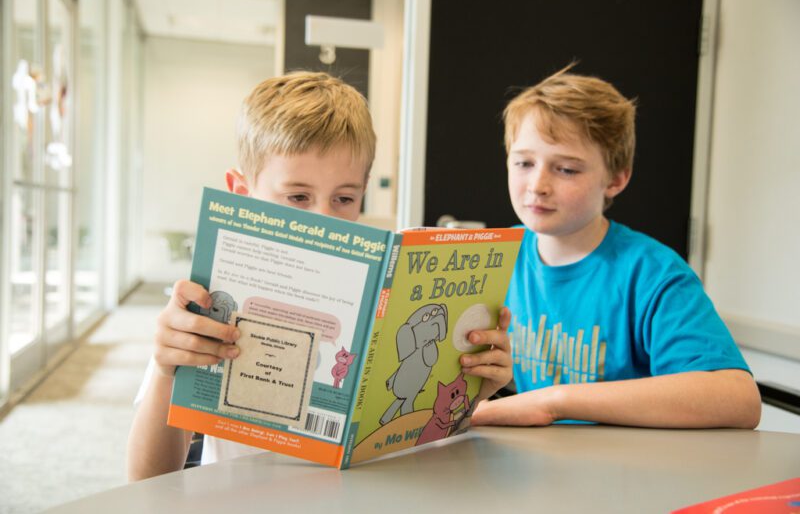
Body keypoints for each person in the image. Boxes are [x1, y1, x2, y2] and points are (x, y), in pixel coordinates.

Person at [127, 71, 513, 481]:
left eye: (343, 198)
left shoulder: (379, 293)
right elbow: (145, 479)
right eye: (298, 197)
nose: (323, 219)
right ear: (241, 193)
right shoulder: (210, 299)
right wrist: (166, 369)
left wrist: (472, 388)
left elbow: (419, 448)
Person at [470, 66, 761, 429]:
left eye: (567, 170)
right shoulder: (494, 257)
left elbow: (738, 400)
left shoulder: (653, 273)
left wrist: (554, 401)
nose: (537, 185)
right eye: (524, 163)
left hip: (627, 474)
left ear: (616, 178)